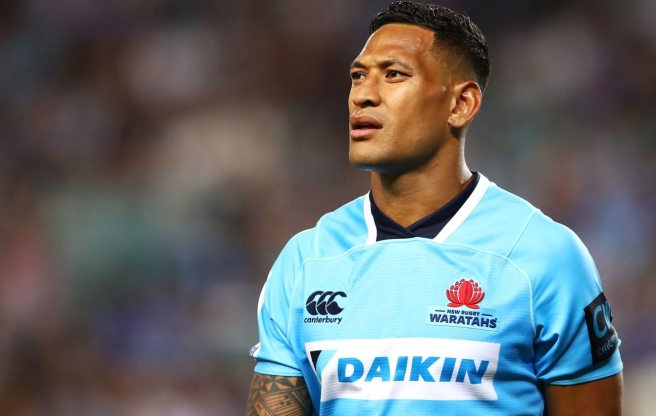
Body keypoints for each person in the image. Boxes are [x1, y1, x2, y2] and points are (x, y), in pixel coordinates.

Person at [245, 2, 623, 415]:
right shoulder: (306, 260)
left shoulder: (545, 255)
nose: (364, 95)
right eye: (358, 76)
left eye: (394, 74)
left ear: (461, 104)